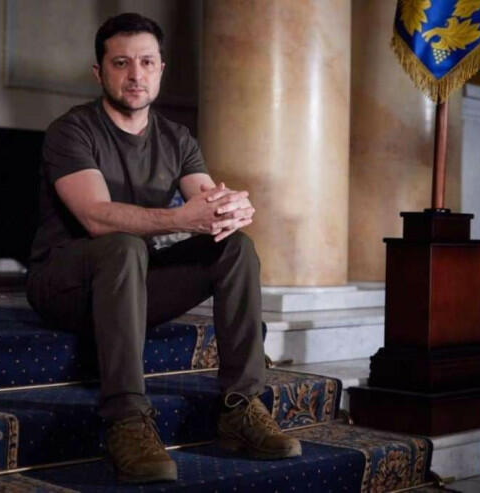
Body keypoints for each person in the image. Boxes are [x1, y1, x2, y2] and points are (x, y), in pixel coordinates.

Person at [26, 12, 301, 484]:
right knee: (122, 246)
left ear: (160, 69)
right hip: (65, 286)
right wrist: (181, 218)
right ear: (99, 72)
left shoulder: (177, 138)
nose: (136, 74)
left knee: (235, 248)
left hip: (132, 285)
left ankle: (240, 406)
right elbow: (95, 216)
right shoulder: (72, 130)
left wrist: (231, 209)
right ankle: (126, 419)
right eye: (121, 63)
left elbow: (205, 202)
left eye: (147, 62)